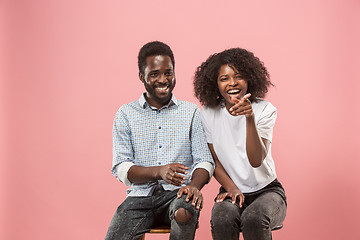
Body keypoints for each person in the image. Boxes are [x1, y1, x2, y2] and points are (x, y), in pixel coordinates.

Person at [105, 41, 215, 240]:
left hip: (178, 195)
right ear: (142, 76)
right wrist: (159, 171)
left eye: (168, 72)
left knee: (185, 211)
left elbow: (205, 161)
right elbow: (121, 168)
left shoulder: (190, 112)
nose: (163, 79)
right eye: (154, 74)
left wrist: (194, 186)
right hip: (139, 198)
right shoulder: (125, 114)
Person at [193, 48, 287, 240]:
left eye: (239, 77)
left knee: (254, 218)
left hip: (267, 191)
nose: (232, 83)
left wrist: (249, 117)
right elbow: (213, 160)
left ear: (250, 79)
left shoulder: (265, 110)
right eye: (224, 78)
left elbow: (256, 160)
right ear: (215, 84)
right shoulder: (209, 113)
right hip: (231, 189)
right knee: (221, 217)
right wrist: (232, 188)